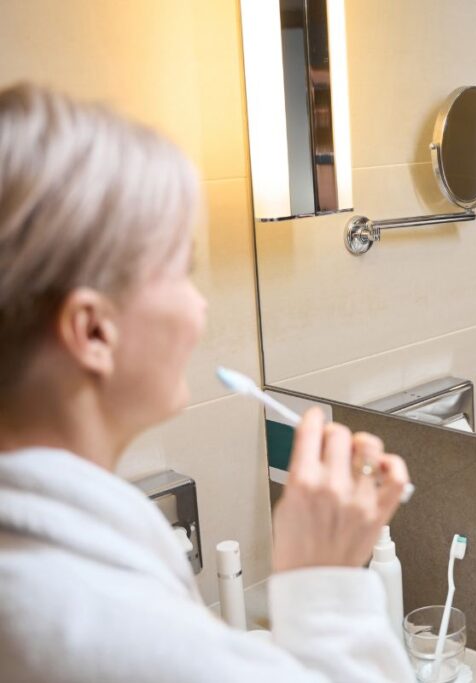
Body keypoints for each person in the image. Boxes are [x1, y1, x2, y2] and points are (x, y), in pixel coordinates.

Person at [0, 83, 415, 682]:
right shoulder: (92, 626)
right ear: (92, 331)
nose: (198, 310)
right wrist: (321, 585)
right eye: (179, 271)